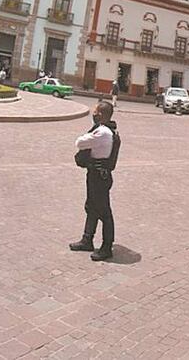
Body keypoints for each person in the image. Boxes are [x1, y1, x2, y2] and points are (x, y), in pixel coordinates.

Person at [69, 100, 120, 261]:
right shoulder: (104, 130)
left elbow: (80, 142)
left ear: (102, 115)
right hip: (95, 174)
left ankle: (107, 247)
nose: (94, 113)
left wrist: (87, 135)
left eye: (96, 111)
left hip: (100, 176)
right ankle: (87, 239)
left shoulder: (103, 132)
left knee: (104, 212)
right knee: (91, 207)